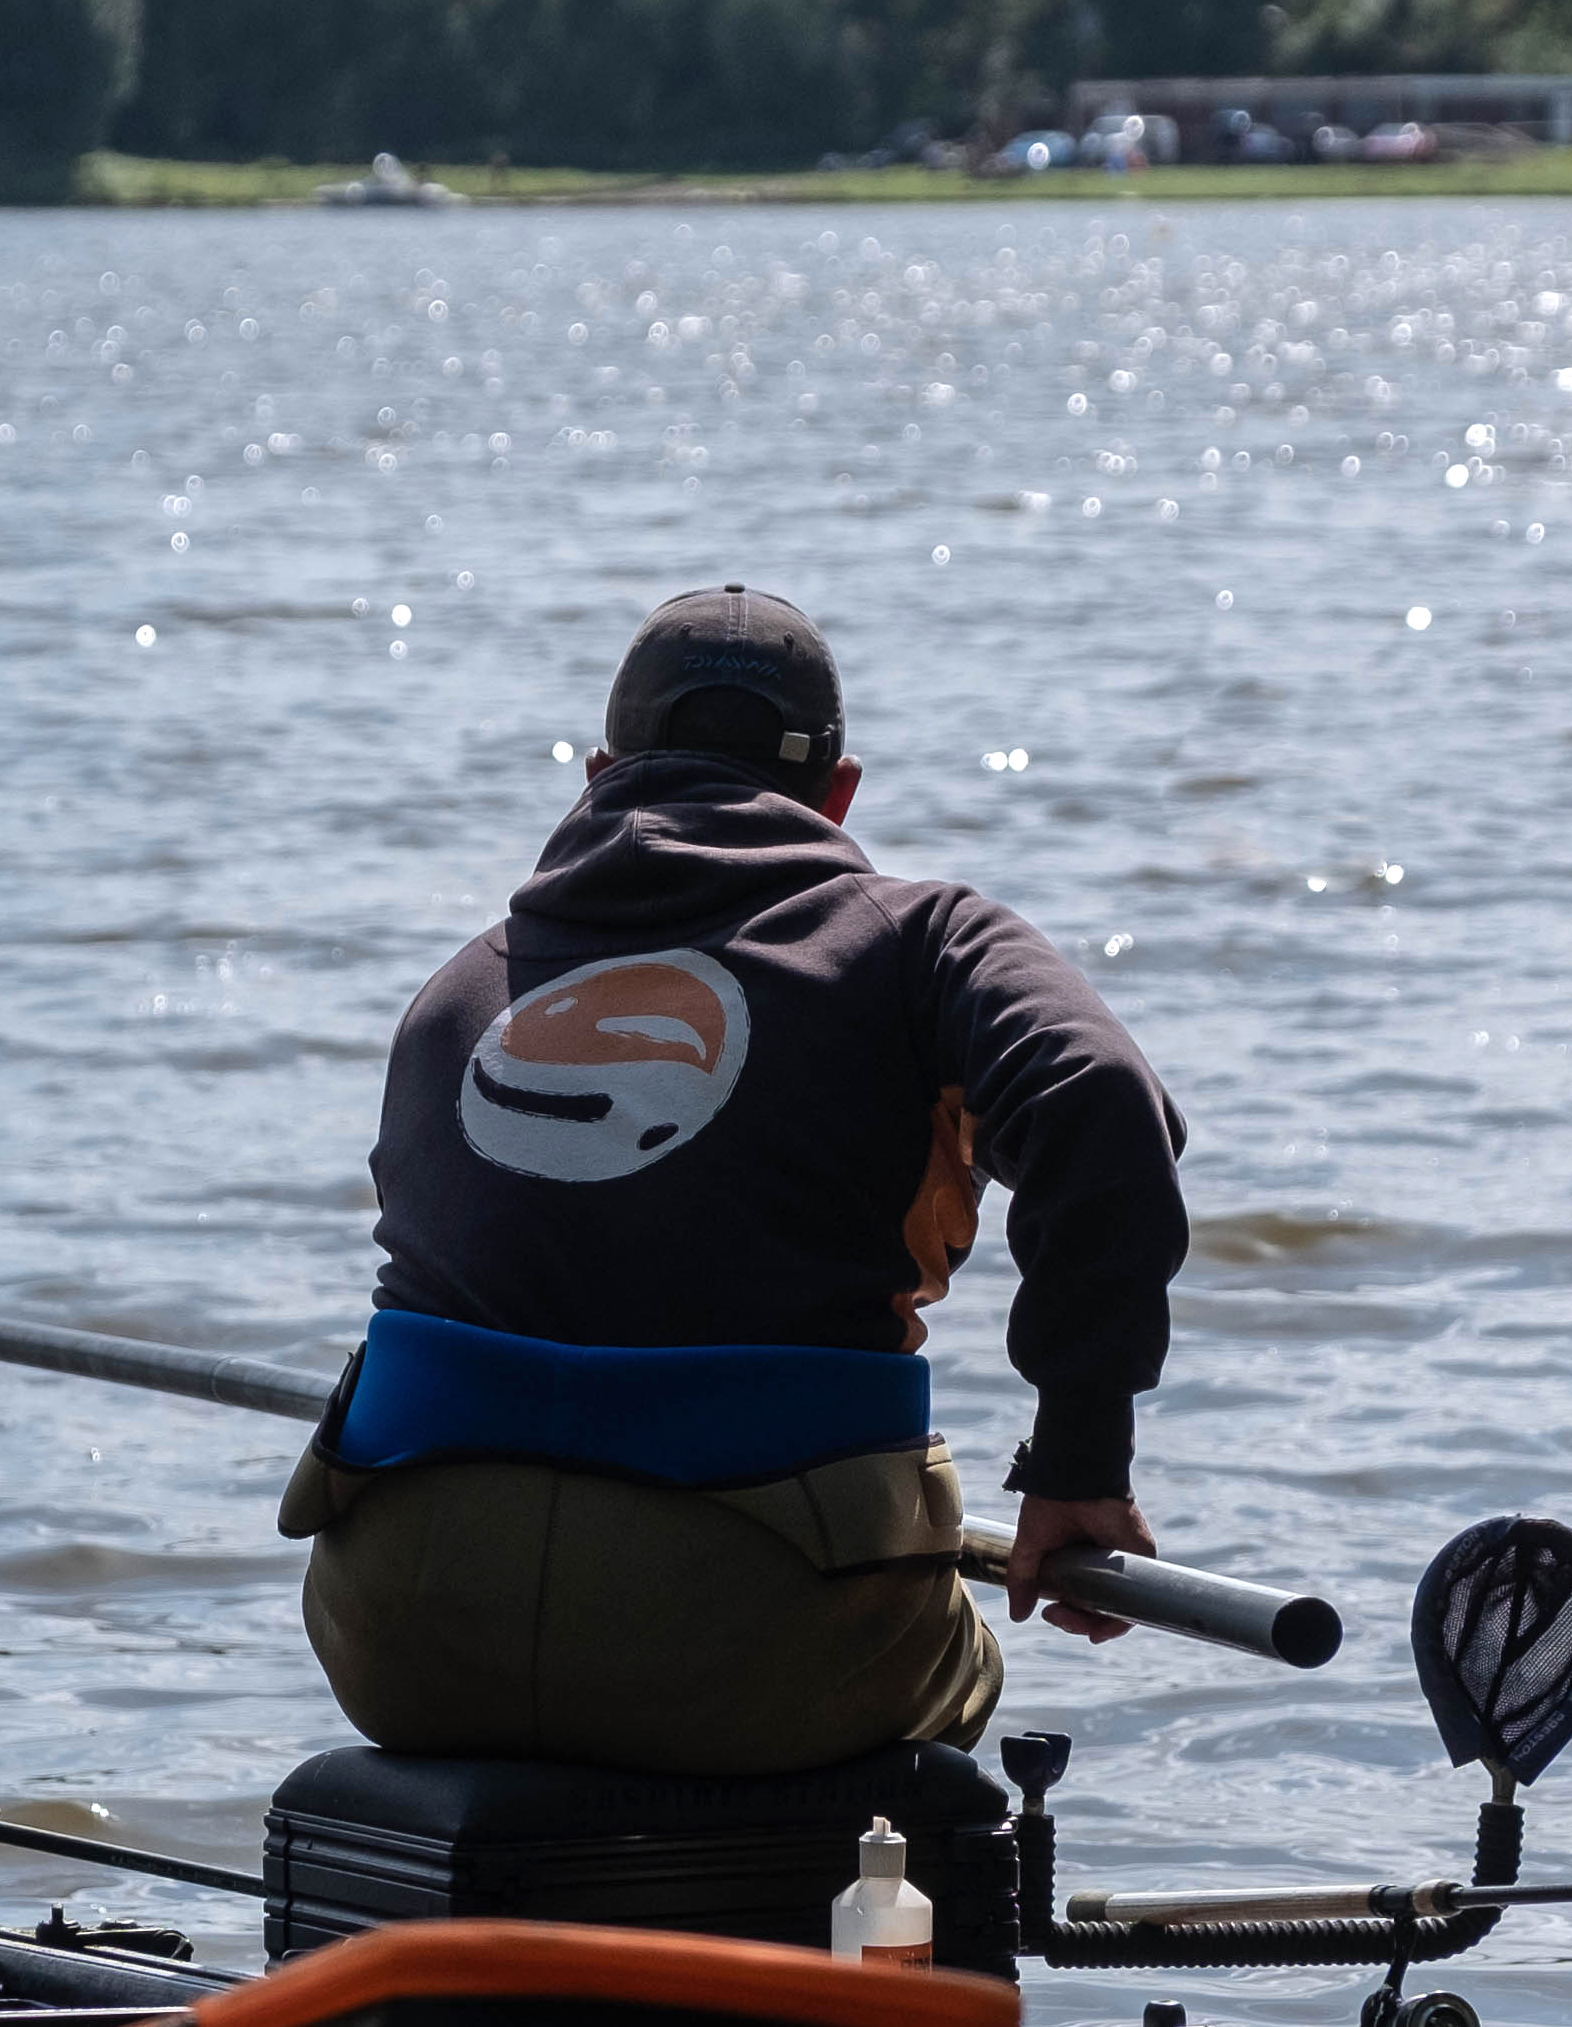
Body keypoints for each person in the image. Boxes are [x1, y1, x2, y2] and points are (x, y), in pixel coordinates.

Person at [278, 584, 1189, 1775]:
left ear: (599, 772)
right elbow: (1098, 1099)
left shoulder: (460, 987)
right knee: (955, 1677)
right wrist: (1078, 1460)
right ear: (838, 792)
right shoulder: (922, 942)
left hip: (394, 1630)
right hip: (760, 1630)